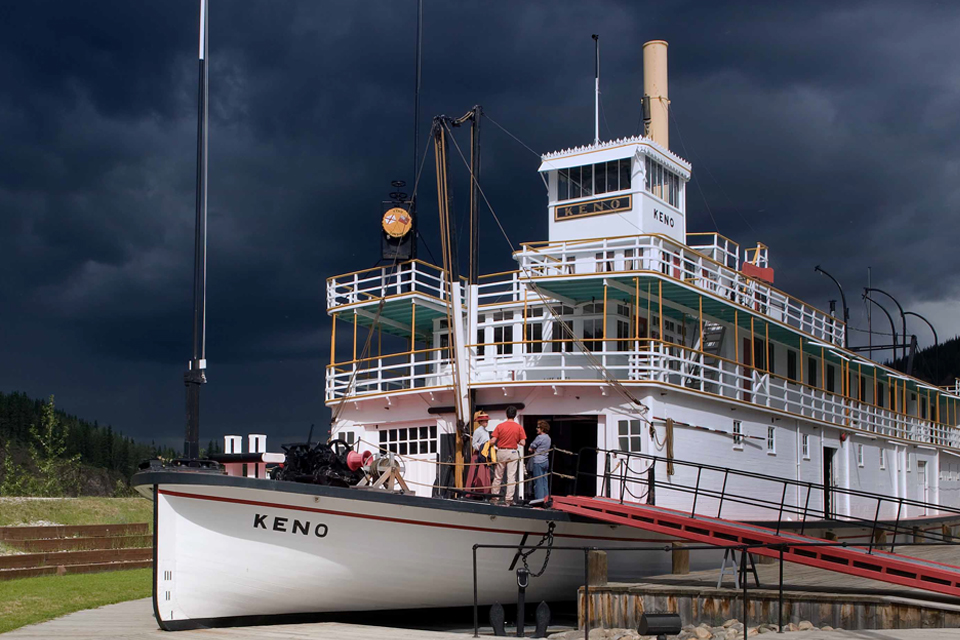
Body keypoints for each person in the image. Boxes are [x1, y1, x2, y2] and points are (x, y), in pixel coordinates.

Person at [490, 405, 526, 505]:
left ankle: (494, 498)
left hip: (501, 451)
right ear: (514, 415)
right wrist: (516, 440)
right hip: (513, 452)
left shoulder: (500, 426)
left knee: (498, 476)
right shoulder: (519, 427)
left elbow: (493, 441)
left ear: (506, 414)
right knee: (511, 477)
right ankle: (509, 499)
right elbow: (523, 443)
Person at [465, 410, 492, 494]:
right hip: (478, 455)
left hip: (485, 455)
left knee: (485, 473)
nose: (486, 422)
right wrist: (480, 448)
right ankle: (475, 491)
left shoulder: (486, 432)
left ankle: (485, 491)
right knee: (477, 473)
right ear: (480, 422)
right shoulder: (478, 431)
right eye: (485, 421)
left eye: (487, 421)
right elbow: (474, 444)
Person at [528, 420, 552, 501]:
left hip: (538, 461)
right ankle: (546, 498)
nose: (536, 429)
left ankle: (539, 500)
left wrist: (532, 449)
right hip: (545, 461)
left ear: (542, 428)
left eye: (538, 427)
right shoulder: (548, 438)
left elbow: (531, 448)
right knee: (545, 481)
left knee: (538, 482)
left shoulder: (539, 437)